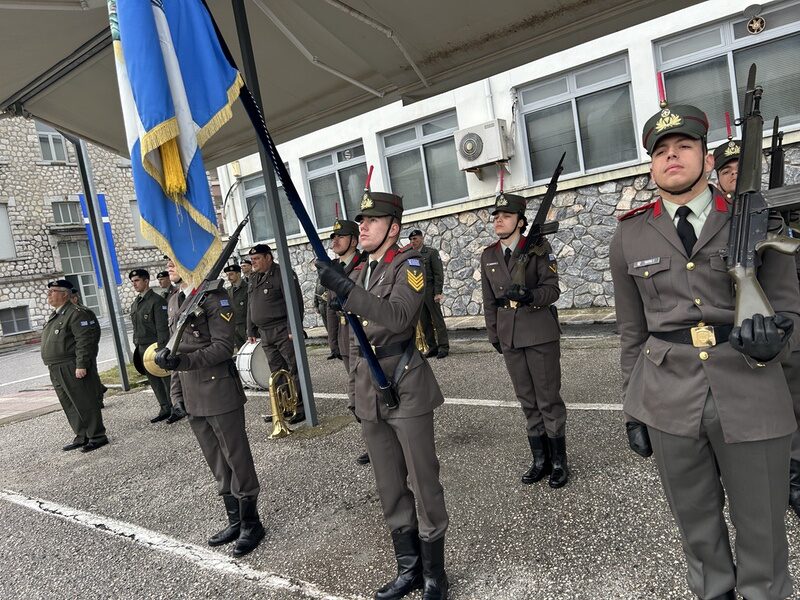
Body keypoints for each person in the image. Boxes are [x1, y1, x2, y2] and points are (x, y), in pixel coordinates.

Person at [611, 103, 800, 600]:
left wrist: (778, 339)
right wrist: (633, 408)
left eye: (684, 146)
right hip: (668, 397)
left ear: (707, 158)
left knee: (762, 528)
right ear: (652, 166)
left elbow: (790, 310)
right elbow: (631, 332)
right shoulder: (629, 234)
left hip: (750, 385)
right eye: (661, 151)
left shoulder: (756, 219)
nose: (672, 157)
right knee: (696, 529)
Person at [317, 191, 449, 600]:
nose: (363, 226)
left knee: (424, 484)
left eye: (372, 220)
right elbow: (351, 341)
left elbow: (398, 317)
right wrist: (354, 394)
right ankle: (408, 570)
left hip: (405, 384)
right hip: (369, 390)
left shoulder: (409, 264)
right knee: (390, 485)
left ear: (394, 228)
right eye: (361, 220)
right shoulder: (360, 270)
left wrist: (347, 290)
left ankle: (435, 575)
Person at [714, 136, 800, 520]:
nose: (734, 175)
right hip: (745, 329)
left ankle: (793, 477)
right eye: (726, 171)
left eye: (740, 169)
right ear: (718, 178)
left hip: (784, 316)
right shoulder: (715, 222)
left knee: (794, 398)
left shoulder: (773, 212)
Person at [156, 258, 264, 557]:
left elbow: (222, 347)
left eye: (174, 259)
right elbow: (173, 349)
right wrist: (176, 394)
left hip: (218, 390)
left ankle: (252, 523)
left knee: (236, 458)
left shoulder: (215, 297)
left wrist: (183, 362)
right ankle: (235, 520)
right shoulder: (176, 299)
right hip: (191, 393)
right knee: (216, 461)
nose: (169, 265)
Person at [480, 193, 568, 489]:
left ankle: (559, 462)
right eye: (496, 216)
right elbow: (489, 300)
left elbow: (552, 291)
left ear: (520, 221)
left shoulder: (539, 248)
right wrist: (494, 334)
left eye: (505, 216)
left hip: (539, 331)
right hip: (509, 335)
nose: (499, 220)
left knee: (548, 399)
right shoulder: (489, 255)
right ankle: (540, 459)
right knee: (527, 400)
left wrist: (530, 295)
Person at [41, 279, 108, 452]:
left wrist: (82, 364)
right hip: (56, 366)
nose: (49, 294)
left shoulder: (76, 313)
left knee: (84, 401)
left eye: (53, 291)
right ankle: (82, 435)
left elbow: (84, 341)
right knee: (69, 403)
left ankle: (97, 435)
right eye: (49, 291)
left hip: (71, 365)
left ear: (65, 294)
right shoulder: (57, 315)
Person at [324, 217, 370, 465]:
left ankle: (378, 442)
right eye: (333, 237)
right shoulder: (334, 269)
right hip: (344, 338)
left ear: (353, 240)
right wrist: (333, 342)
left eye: (340, 237)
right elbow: (329, 308)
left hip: (361, 335)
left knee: (364, 393)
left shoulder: (364, 265)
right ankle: (373, 442)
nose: (335, 241)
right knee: (356, 394)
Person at [246, 243, 305, 424]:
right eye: (252, 259)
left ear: (268, 257)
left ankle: (301, 408)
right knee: (277, 372)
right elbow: (251, 305)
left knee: (294, 369)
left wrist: (292, 328)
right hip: (265, 333)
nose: (253, 262)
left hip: (282, 330)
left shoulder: (282, 274)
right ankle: (285, 407)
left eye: (257, 258)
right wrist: (250, 328)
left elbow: (295, 302)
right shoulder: (254, 277)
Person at [129, 268, 185, 424]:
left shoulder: (157, 301)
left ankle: (175, 408)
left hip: (156, 346)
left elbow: (162, 328)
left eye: (137, 281)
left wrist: (162, 349)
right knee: (153, 380)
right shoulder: (136, 303)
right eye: (132, 282)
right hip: (142, 347)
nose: (134, 284)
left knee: (166, 378)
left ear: (146, 281)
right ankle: (164, 408)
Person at [408, 229, 450, 359]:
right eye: (411, 239)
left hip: (430, 290)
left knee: (437, 320)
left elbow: (438, 274)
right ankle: (432, 347)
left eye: (415, 239)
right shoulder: (411, 255)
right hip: (418, 292)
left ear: (422, 238)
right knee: (424, 321)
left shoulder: (431, 253)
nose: (413, 241)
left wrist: (438, 292)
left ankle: (443, 347)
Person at [223, 264, 248, 349]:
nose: (228, 277)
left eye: (231, 274)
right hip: (234, 325)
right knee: (241, 350)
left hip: (246, 325)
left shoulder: (247, 287)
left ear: (238, 274)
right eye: (227, 275)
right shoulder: (228, 290)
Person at [313, 276, 338, 359]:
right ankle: (333, 350)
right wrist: (316, 305)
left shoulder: (330, 277)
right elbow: (315, 292)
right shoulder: (318, 279)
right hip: (322, 306)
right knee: (328, 329)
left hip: (329, 306)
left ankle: (338, 349)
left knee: (333, 328)